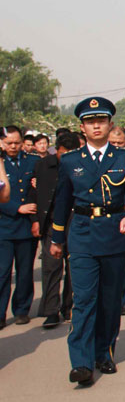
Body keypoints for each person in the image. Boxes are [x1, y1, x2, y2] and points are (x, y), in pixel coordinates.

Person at [49, 98, 125, 385]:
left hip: (116, 234)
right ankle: (81, 362)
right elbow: (62, 201)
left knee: (110, 300)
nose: (96, 125)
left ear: (110, 124)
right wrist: (56, 238)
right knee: (84, 300)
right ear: (82, 127)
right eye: (91, 121)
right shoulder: (69, 161)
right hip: (82, 236)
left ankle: (104, 352)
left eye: (101, 120)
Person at [32, 131, 81, 328]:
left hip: (76, 221)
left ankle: (68, 306)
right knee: (51, 267)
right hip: (52, 222)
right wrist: (35, 220)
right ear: (56, 150)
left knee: (73, 267)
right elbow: (32, 193)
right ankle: (51, 310)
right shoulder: (42, 165)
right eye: (63, 153)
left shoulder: (82, 164)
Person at [0, 125, 40, 328]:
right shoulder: (0, 164)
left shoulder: (32, 161)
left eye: (17, 142)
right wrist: (17, 208)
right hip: (4, 226)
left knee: (25, 271)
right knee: (2, 272)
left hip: (27, 227)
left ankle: (22, 309)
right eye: (9, 143)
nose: (13, 146)